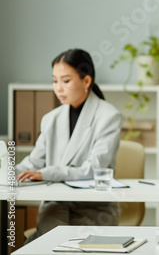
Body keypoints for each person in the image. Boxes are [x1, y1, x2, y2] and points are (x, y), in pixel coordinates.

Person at [16, 49, 123, 242]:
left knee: (53, 244)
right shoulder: (51, 119)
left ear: (86, 81)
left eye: (65, 81)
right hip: (56, 205)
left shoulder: (109, 116)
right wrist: (9, 173)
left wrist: (47, 173)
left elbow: (95, 169)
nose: (58, 88)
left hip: (92, 208)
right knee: (46, 241)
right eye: (55, 81)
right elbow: (33, 162)